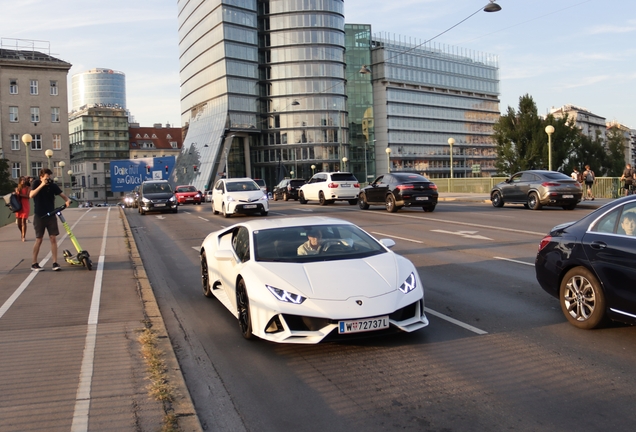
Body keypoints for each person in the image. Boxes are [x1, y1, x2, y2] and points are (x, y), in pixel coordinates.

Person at [29, 168, 71, 271]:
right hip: (39, 215)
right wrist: (42, 185)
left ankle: (55, 262)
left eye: (49, 177)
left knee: (53, 238)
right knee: (39, 239)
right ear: (41, 177)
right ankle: (34, 263)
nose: (48, 179)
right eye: (46, 177)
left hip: (51, 214)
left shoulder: (52, 186)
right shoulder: (36, 183)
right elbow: (31, 195)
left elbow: (62, 194)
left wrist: (67, 200)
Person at [14, 176, 31, 241]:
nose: (23, 181)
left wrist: (19, 194)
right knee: (19, 223)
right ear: (19, 181)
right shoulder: (18, 188)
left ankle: (23, 236)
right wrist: (15, 193)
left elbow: (27, 196)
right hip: (18, 206)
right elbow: (16, 197)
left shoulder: (27, 188)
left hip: (25, 205)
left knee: (23, 221)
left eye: (24, 180)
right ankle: (22, 232)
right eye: (21, 180)